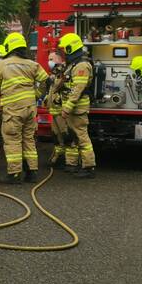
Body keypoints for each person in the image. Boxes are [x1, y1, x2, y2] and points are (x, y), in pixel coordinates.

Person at [0, 32, 48, 183]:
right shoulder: (32, 64)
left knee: (12, 139)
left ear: (9, 47)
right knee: (28, 139)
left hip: (13, 109)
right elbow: (46, 81)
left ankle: (15, 173)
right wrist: (37, 95)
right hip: (30, 108)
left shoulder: (3, 64)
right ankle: (32, 172)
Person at [59, 32, 96, 178]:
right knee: (72, 136)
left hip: (77, 108)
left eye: (64, 49)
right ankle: (72, 164)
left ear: (70, 48)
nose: (62, 53)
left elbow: (77, 89)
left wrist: (67, 107)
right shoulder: (73, 64)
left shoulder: (82, 65)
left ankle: (88, 167)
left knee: (81, 137)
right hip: (72, 107)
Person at [46, 50, 74, 170]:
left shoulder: (64, 72)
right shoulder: (54, 74)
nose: (49, 62)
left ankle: (71, 163)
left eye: (52, 59)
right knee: (57, 137)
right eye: (49, 59)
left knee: (67, 136)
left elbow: (62, 88)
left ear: (60, 59)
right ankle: (58, 159)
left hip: (62, 111)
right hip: (54, 111)